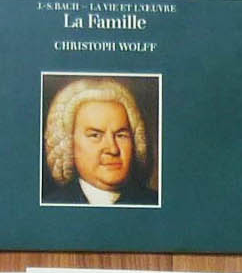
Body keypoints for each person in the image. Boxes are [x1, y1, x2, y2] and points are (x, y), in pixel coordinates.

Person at [42, 77, 158, 205]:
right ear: (69, 144)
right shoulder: (52, 204)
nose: (113, 149)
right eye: (95, 135)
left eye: (121, 135)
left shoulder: (153, 202)